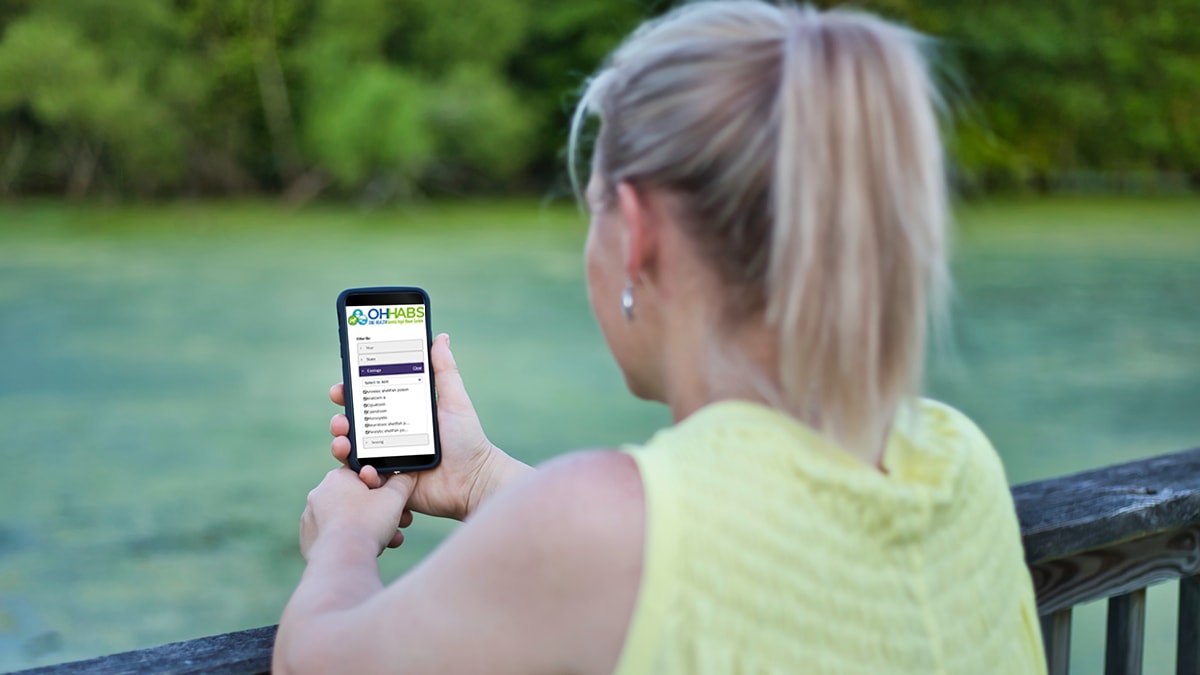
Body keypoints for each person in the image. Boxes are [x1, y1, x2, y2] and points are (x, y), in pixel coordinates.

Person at [273, 2, 1047, 673]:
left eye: (595, 209)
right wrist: (477, 478)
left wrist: (342, 536)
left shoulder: (600, 526)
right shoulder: (956, 459)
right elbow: (712, 546)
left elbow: (317, 663)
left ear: (637, 232)